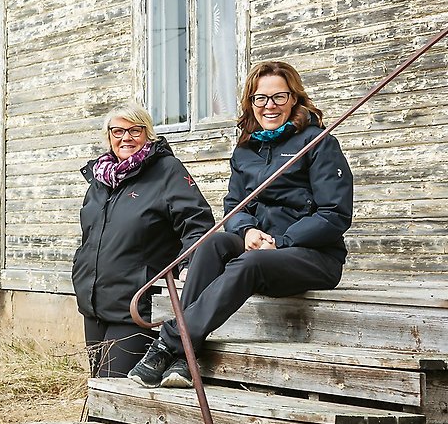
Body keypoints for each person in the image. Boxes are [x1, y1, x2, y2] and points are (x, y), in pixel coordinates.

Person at [128, 61, 354, 389]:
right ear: (251, 103)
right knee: (211, 244)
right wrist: (247, 230)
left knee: (250, 262)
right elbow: (234, 206)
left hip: (312, 256)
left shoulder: (317, 143)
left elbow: (335, 214)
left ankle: (168, 344)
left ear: (294, 99)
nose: (270, 106)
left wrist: (283, 241)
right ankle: (183, 360)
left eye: (279, 97)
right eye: (260, 99)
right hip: (260, 247)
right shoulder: (246, 149)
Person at [71, 103, 214, 378]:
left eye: (134, 130)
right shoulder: (100, 180)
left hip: (136, 306)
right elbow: (90, 236)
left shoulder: (166, 170)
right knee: (98, 388)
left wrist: (187, 265)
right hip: (93, 304)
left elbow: (199, 223)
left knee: (115, 389)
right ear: (108, 136)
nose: (126, 138)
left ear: (147, 134)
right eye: (118, 131)